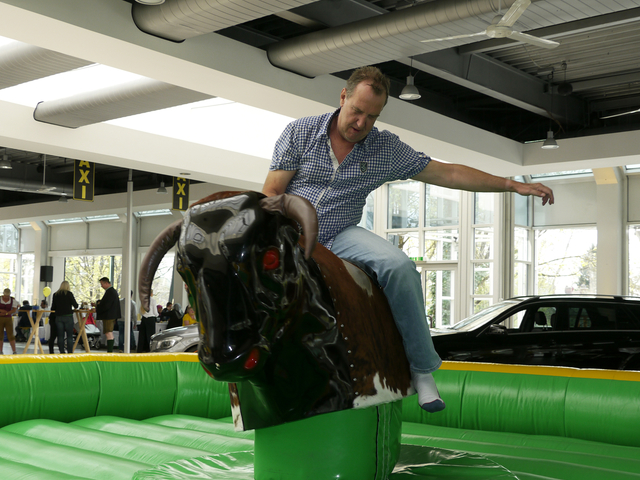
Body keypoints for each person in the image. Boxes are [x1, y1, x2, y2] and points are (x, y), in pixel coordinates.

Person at [262, 66, 554, 413]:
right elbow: (272, 193)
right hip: (292, 231)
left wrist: (512, 184)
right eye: (357, 111)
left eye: (372, 116)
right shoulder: (300, 132)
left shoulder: (385, 148)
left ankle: (422, 370)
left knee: (399, 266)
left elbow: (448, 172)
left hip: (341, 233)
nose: (361, 123)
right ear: (343, 97)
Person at [50, 281, 79, 354]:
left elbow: (53, 307)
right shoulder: (69, 294)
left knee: (60, 336)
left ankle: (62, 352)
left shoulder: (55, 294)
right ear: (67, 286)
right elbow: (75, 305)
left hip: (58, 317)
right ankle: (70, 352)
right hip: (68, 317)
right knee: (69, 336)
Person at [95, 277, 121, 353]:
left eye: (102, 284)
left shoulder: (110, 292)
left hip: (109, 316)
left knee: (108, 332)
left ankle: (110, 351)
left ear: (106, 283)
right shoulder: (112, 291)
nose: (101, 286)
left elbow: (106, 305)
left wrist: (97, 308)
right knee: (109, 332)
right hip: (111, 315)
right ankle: (110, 351)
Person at [137, 288, 158, 353]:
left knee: (142, 335)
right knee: (150, 335)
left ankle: (140, 349)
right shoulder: (153, 301)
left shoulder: (143, 300)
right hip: (151, 319)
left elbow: (140, 311)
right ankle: (149, 349)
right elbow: (155, 312)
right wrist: (157, 315)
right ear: (151, 293)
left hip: (144, 319)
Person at [0, 288, 19, 354]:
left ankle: (14, 351)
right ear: (3, 294)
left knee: (10, 335)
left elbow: (14, 309)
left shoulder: (12, 300)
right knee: (0, 335)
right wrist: (2, 311)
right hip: (0, 318)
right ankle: (0, 351)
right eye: (5, 296)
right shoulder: (0, 298)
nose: (6, 297)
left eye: (7, 296)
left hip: (8, 319)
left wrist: (7, 313)